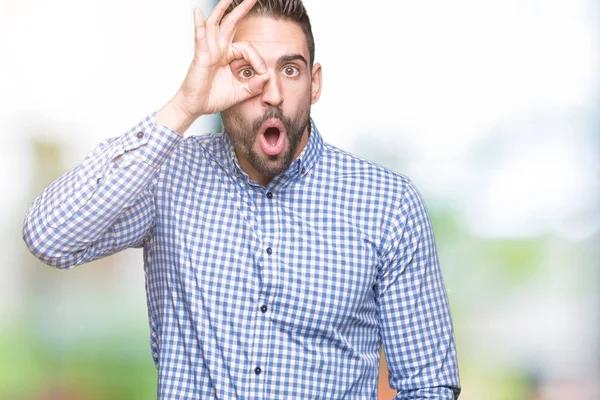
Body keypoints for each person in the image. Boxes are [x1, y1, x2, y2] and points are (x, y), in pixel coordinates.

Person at [22, 0, 461, 398]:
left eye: (290, 70)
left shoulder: (388, 204)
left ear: (315, 83)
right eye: (247, 71)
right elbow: (49, 237)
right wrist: (184, 105)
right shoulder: (169, 175)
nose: (271, 94)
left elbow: (429, 386)